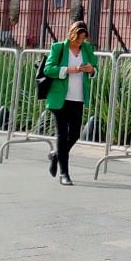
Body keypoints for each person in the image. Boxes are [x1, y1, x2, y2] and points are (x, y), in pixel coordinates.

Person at [42, 20, 96, 186]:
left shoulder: (87, 48)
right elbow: (48, 69)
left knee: (75, 134)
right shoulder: (58, 48)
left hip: (78, 97)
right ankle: (64, 173)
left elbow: (94, 67)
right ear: (72, 34)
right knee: (62, 134)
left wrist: (91, 70)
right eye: (78, 38)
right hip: (60, 98)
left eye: (83, 38)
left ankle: (56, 155)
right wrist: (69, 70)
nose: (81, 42)